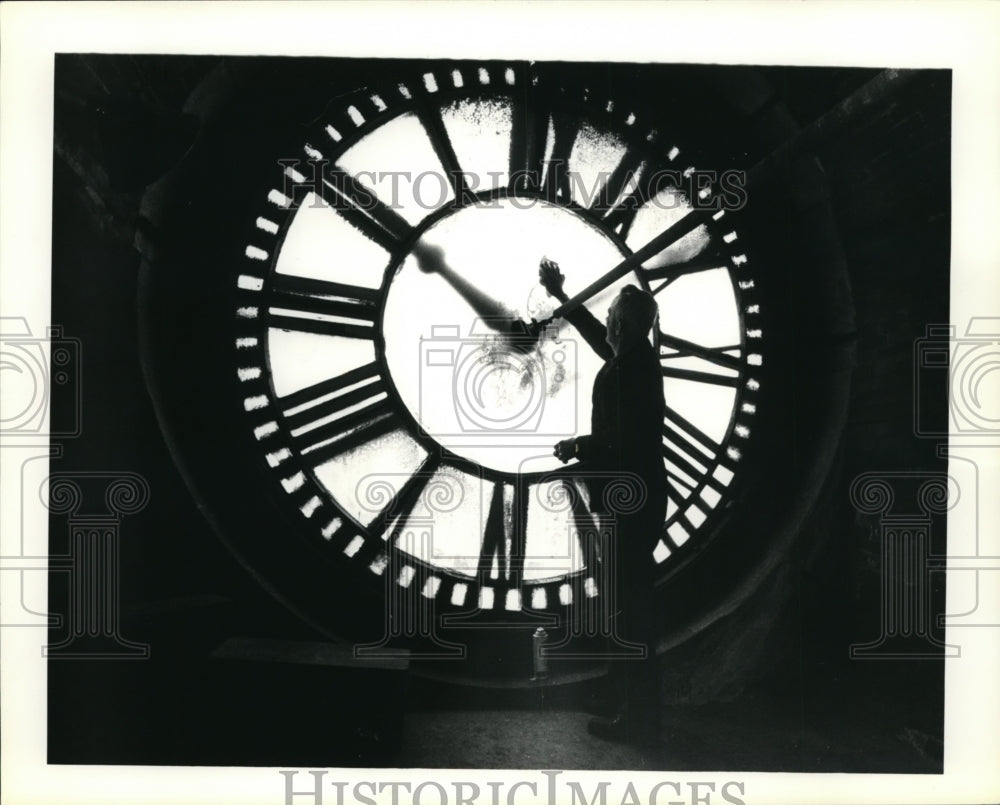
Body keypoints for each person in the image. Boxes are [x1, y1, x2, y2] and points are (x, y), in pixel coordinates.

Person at [540, 258, 667, 745]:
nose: (607, 320)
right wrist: (560, 293)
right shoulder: (632, 360)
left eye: (611, 314)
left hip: (627, 501)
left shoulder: (629, 366)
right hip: (636, 497)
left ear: (622, 323)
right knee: (628, 606)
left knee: (629, 611)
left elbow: (624, 440)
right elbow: (599, 337)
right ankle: (629, 704)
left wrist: (578, 447)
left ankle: (636, 717)